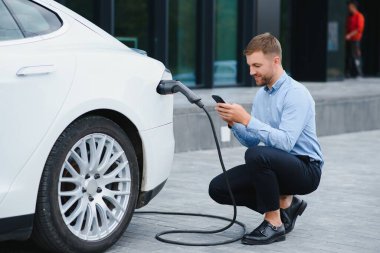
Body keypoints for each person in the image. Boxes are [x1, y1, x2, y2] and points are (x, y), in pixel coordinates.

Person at [208, 33, 323, 245]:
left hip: (306, 168)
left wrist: (247, 119)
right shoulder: (262, 95)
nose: (251, 71)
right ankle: (287, 208)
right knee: (218, 188)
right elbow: (252, 140)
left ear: (275, 61)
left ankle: (274, 224)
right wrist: (235, 123)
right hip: (276, 164)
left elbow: (286, 143)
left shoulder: (296, 93)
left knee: (257, 156)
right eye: (250, 65)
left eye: (257, 65)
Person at [345, 0, 365, 78]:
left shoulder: (359, 16)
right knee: (349, 57)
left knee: (356, 56)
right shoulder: (350, 17)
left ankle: (359, 73)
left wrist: (349, 35)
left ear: (353, 7)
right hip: (349, 40)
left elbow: (359, 29)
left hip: (356, 40)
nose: (348, 8)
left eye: (350, 7)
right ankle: (348, 73)